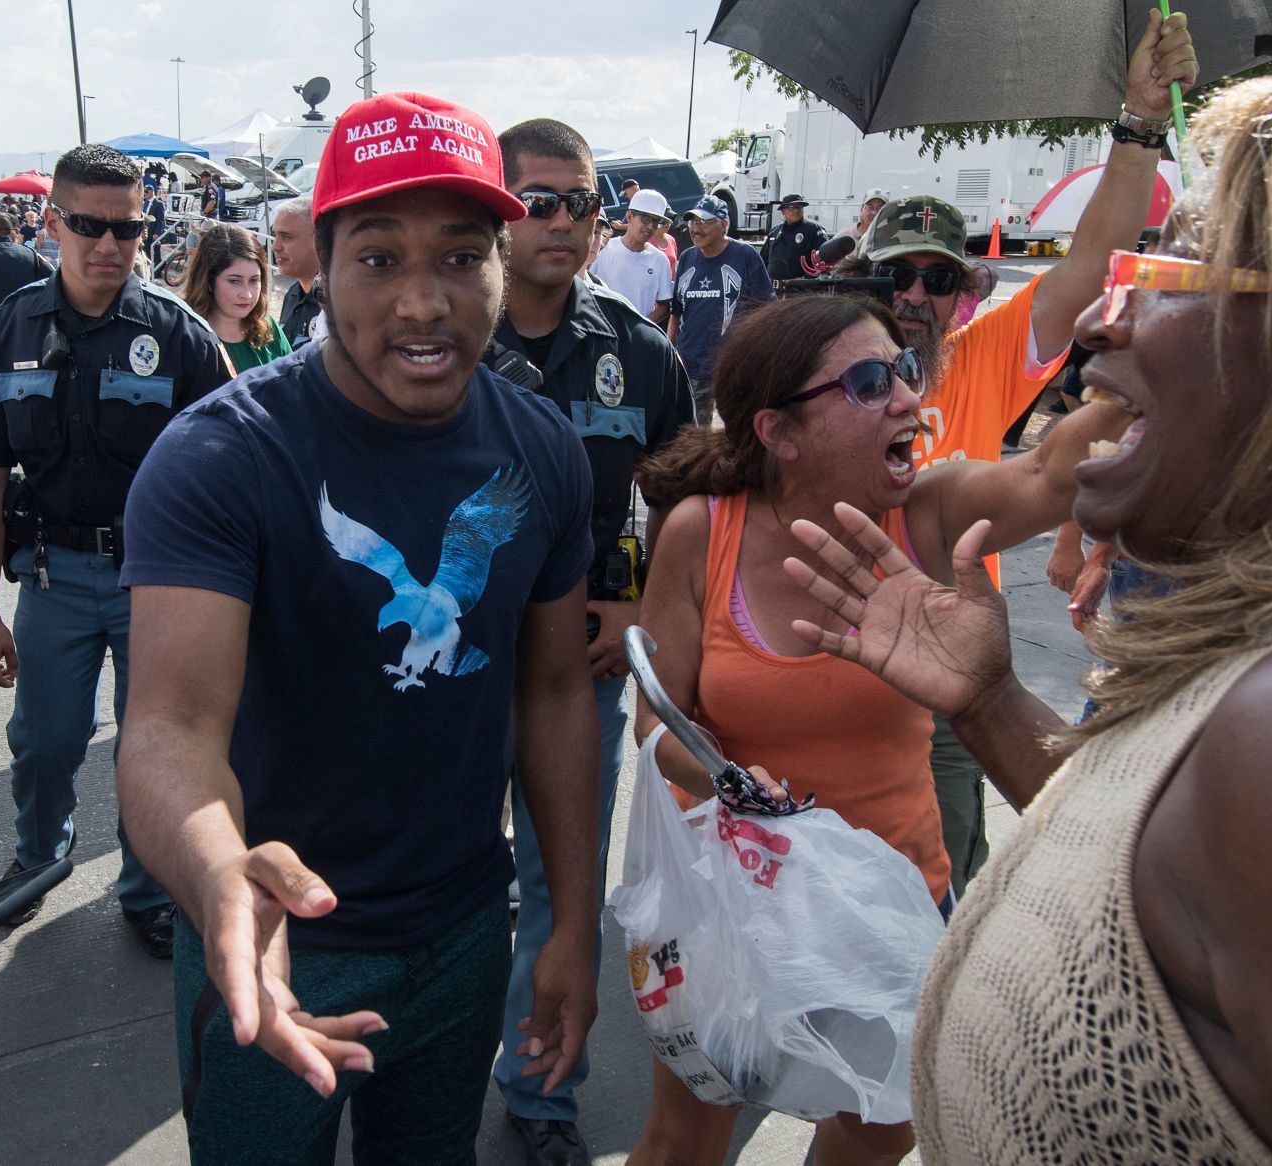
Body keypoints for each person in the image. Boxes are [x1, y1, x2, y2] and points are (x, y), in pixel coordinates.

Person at [782, 42, 1272, 1166]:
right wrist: (987, 701)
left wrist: (1133, 127)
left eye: (1177, 265)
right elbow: (1150, 882)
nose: (1102, 326)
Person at [115, 90, 601, 1164]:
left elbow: (557, 691)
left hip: (468, 928)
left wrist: (572, 922)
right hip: (277, 936)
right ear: (319, 268)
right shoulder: (221, 457)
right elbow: (170, 726)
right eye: (378, 258)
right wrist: (218, 880)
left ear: (499, 266)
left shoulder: (544, 452)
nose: (424, 301)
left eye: (461, 257)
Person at [627, 291, 1123, 1166]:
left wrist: (1149, 347)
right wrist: (736, 785)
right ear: (777, 431)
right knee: (682, 1144)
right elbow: (654, 728)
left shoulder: (928, 514)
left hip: (892, 903)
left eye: (902, 371)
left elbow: (1051, 474)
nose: (906, 398)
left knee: (874, 1139)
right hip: (728, 909)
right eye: (866, 382)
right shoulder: (700, 533)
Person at [836, 9, 1198, 899]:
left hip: (958, 663)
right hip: (839, 655)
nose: (915, 295)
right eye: (897, 276)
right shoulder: (824, 370)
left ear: (964, 293)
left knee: (954, 874)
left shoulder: (989, 351)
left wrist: (1140, 122)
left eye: (938, 277)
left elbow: (1090, 262)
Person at [0, 144, 229, 975]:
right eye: (89, 225)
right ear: (54, 223)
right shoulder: (11, 326)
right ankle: (39, 861)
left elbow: (230, 467)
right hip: (53, 576)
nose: (109, 243)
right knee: (45, 739)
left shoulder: (179, 335)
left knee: (157, 744)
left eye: (128, 227)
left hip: (164, 583)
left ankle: (147, 891)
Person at [490, 116, 695, 1166]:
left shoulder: (638, 351)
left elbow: (688, 503)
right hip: (446, 667)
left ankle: (539, 1089)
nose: (563, 221)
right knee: (439, 876)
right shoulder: (436, 330)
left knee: (563, 886)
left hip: (580, 666)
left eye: (582, 202)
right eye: (539, 199)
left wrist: (644, 604)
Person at [667, 196, 774, 424]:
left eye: (704, 222)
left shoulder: (745, 256)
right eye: (692, 222)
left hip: (731, 366)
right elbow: (676, 312)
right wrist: (670, 351)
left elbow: (766, 309)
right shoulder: (687, 258)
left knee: (738, 430)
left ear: (724, 224)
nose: (696, 228)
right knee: (695, 435)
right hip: (691, 364)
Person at [181, 223, 291, 374]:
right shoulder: (183, 336)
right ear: (208, 280)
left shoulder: (270, 329)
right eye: (234, 281)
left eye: (254, 280)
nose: (247, 294)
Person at [588, 189, 674, 323]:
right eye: (646, 219)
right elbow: (586, 290)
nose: (650, 227)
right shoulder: (604, 249)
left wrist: (639, 330)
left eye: (657, 222)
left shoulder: (660, 260)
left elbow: (664, 307)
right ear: (629, 217)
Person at [270, 196, 322, 347]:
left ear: (319, 241)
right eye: (275, 236)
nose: (275, 247)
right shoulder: (293, 293)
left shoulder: (338, 303)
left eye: (286, 237)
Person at [761, 193, 829, 281]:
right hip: (773, 289)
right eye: (792, 208)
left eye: (799, 207)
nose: (796, 210)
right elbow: (763, 260)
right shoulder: (775, 231)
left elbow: (824, 258)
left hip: (798, 289)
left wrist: (805, 279)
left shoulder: (813, 229)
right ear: (783, 211)